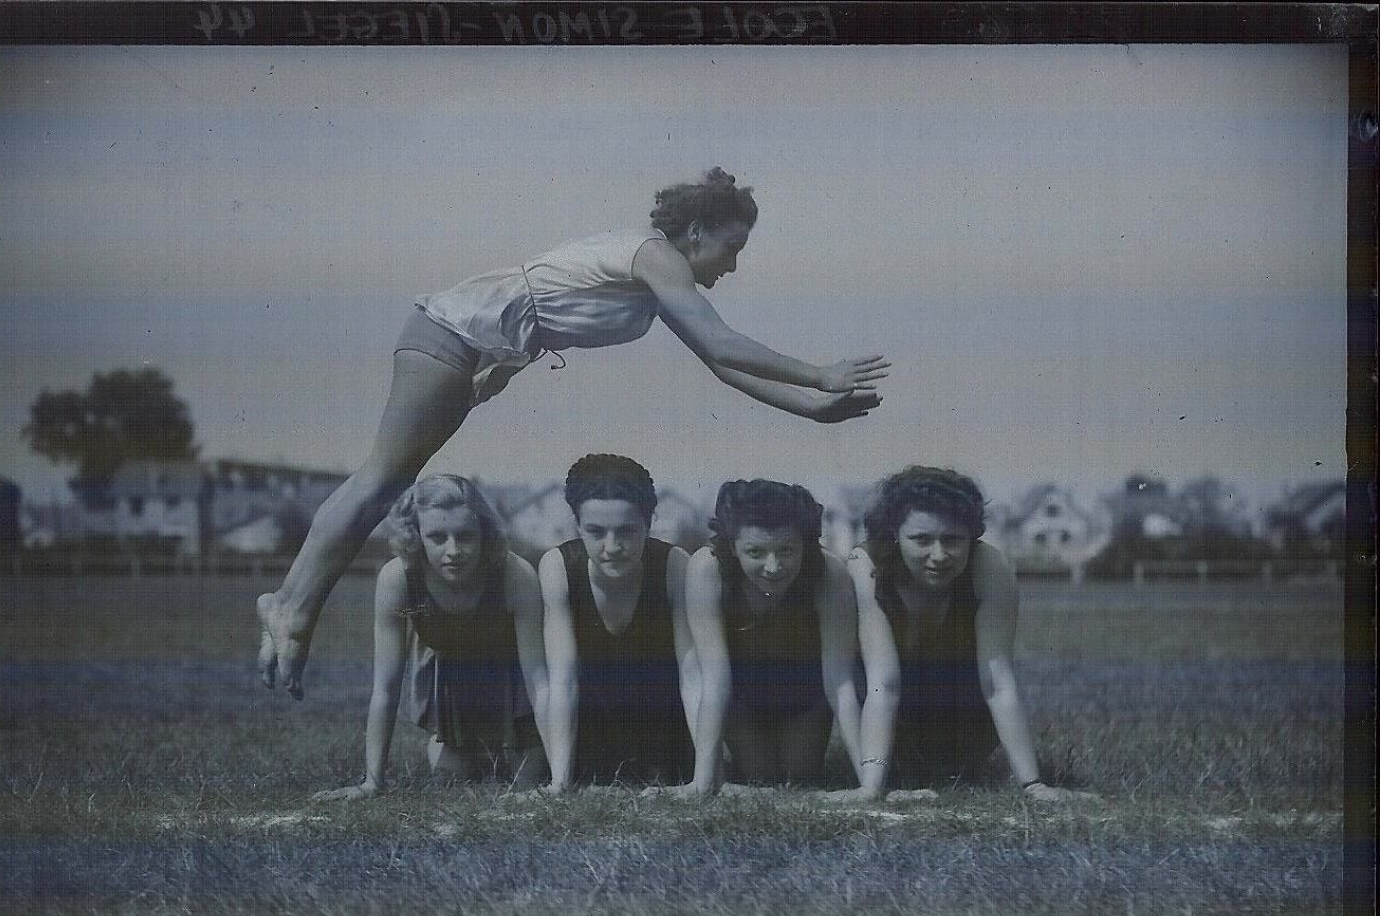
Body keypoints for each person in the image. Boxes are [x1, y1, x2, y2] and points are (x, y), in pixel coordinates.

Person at [260, 167, 889, 700]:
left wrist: (811, 409)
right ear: (695, 232)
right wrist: (821, 374)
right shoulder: (657, 256)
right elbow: (724, 341)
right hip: (455, 334)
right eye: (732, 244)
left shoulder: (656, 282)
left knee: (387, 480)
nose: (733, 263)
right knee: (381, 477)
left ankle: (293, 606)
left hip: (468, 346)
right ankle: (290, 604)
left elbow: (720, 365)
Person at [824, 466, 1094, 804]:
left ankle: (934, 768)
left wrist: (1033, 785)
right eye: (921, 540)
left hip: (960, 718)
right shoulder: (865, 565)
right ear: (893, 535)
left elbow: (997, 682)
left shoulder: (990, 567)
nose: (939, 556)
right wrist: (871, 788)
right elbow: (884, 682)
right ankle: (881, 771)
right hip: (886, 711)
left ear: (972, 536)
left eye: (953, 540)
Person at [312, 475, 550, 800]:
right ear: (416, 535)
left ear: (484, 533)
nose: (453, 551)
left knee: (526, 778)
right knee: (453, 775)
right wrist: (372, 781)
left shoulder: (515, 574)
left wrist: (559, 777)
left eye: (466, 536)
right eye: (437, 537)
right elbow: (385, 686)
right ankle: (454, 742)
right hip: (455, 689)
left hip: (516, 692)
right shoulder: (398, 579)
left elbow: (540, 681)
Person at [656, 479, 863, 796]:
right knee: (759, 775)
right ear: (732, 545)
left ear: (805, 544)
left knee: (800, 775)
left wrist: (869, 782)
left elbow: (839, 679)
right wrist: (704, 782)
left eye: (787, 550)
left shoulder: (828, 572)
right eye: (755, 551)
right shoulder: (707, 569)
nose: (773, 567)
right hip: (743, 698)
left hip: (804, 695)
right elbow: (713, 677)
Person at [539, 454, 699, 790]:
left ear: (649, 523)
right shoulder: (558, 567)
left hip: (661, 733)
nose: (612, 547)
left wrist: (704, 778)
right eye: (596, 532)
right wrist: (559, 783)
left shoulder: (674, 565)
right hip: (589, 731)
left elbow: (693, 676)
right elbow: (562, 679)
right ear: (576, 526)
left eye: (627, 531)